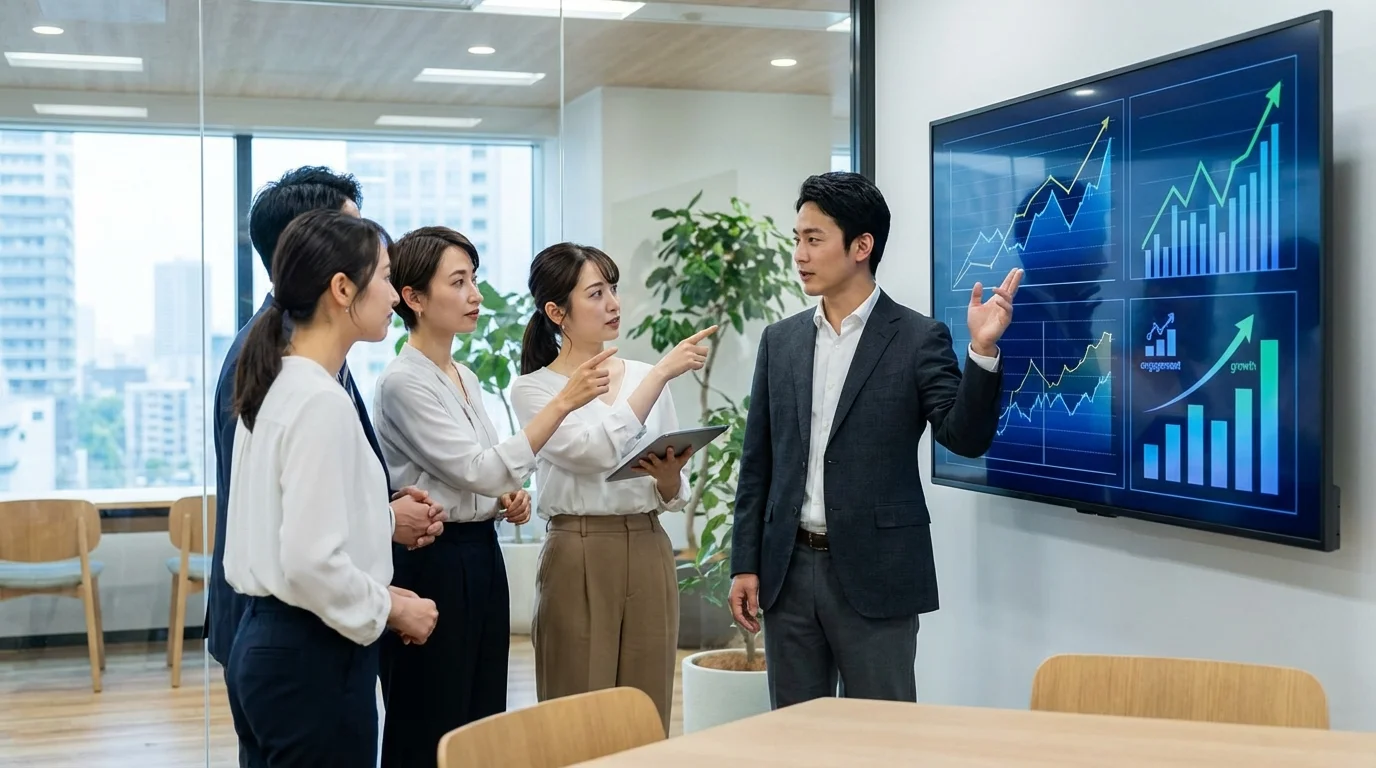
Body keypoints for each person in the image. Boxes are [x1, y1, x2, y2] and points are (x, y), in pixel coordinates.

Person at [727, 172, 1019, 708]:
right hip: (787, 573)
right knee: (794, 739)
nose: (799, 254)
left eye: (814, 239)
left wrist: (982, 351)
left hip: (877, 572)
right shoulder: (781, 340)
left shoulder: (916, 337)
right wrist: (745, 562)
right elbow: (758, 464)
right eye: (797, 239)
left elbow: (965, 437)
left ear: (862, 246)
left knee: (882, 740)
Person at [207, 166, 443, 767]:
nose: (396, 296)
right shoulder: (312, 396)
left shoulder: (282, 376)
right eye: (387, 278)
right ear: (342, 287)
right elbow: (310, 559)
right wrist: (393, 606)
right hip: (308, 646)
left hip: (277, 643)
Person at [372, 227, 615, 767]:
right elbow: (478, 469)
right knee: (428, 718)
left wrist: (506, 497)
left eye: (474, 280)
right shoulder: (402, 382)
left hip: (479, 554)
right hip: (430, 561)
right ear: (413, 298)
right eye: (458, 282)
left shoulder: (463, 375)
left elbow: (485, 475)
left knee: (481, 713)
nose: (475, 295)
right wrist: (563, 404)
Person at [509, 242, 715, 734]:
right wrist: (663, 371)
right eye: (596, 294)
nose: (614, 304)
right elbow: (593, 452)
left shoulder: (644, 377)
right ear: (557, 312)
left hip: (647, 544)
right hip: (577, 547)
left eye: (614, 290)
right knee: (576, 710)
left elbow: (674, 491)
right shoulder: (535, 389)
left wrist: (669, 480)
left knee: (645, 709)